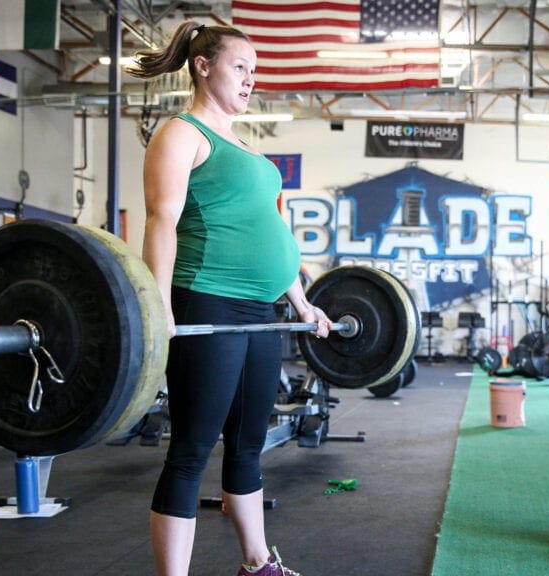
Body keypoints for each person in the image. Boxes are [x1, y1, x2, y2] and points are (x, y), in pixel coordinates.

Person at [128, 22, 331, 576]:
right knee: (192, 450)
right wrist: (160, 306)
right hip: (207, 303)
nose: (250, 80)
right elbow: (161, 221)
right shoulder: (182, 133)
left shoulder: (246, 147)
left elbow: (270, 232)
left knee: (248, 445)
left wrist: (302, 304)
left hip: (260, 314)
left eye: (254, 71)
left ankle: (257, 563)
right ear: (202, 66)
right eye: (240, 67)